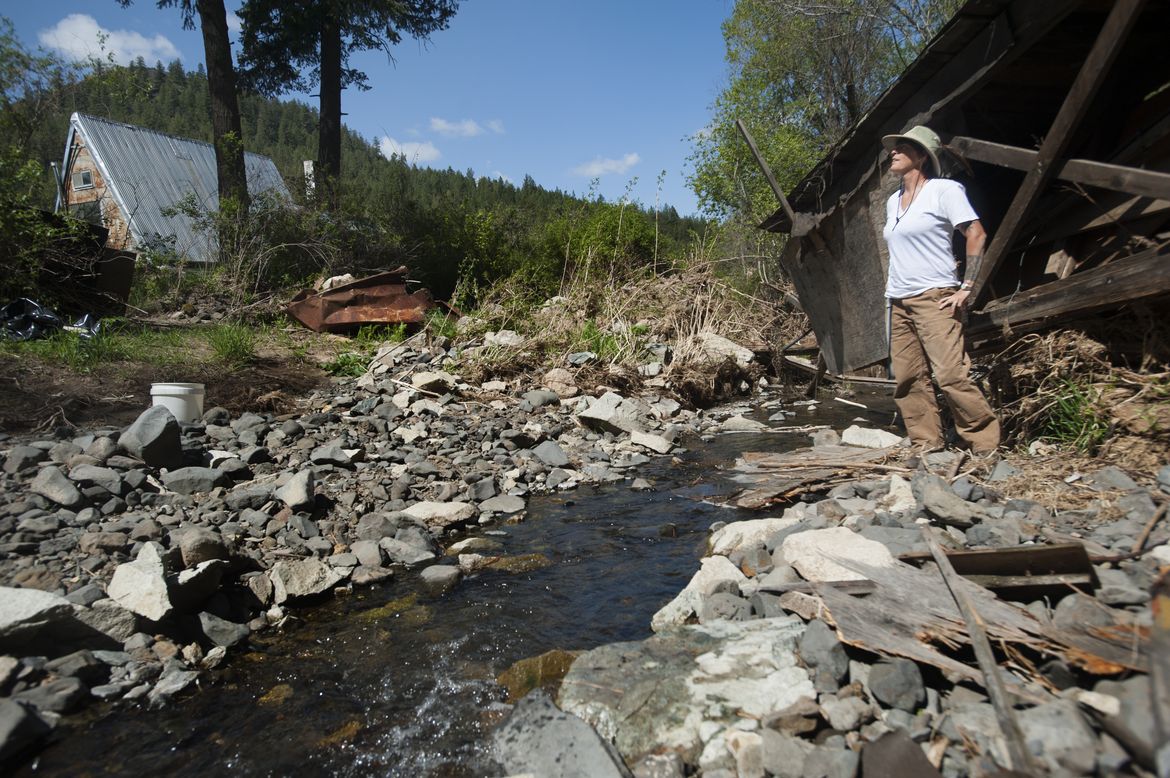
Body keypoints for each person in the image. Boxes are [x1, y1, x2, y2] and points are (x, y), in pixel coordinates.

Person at [880, 125, 1000, 454]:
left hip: (936, 296)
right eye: (894, 147)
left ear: (921, 155)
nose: (894, 151)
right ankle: (926, 443)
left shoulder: (945, 190)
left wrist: (967, 288)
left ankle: (984, 445)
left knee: (950, 374)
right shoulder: (893, 202)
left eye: (903, 147)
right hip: (899, 300)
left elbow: (976, 234)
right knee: (907, 378)